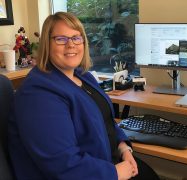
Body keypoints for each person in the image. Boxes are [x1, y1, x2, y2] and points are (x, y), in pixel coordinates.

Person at [8, 12, 159, 180]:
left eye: (76, 37)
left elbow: (106, 121)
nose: (71, 44)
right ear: (47, 44)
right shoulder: (37, 95)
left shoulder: (82, 76)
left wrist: (123, 147)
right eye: (61, 39)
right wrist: (115, 173)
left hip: (105, 161)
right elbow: (62, 164)